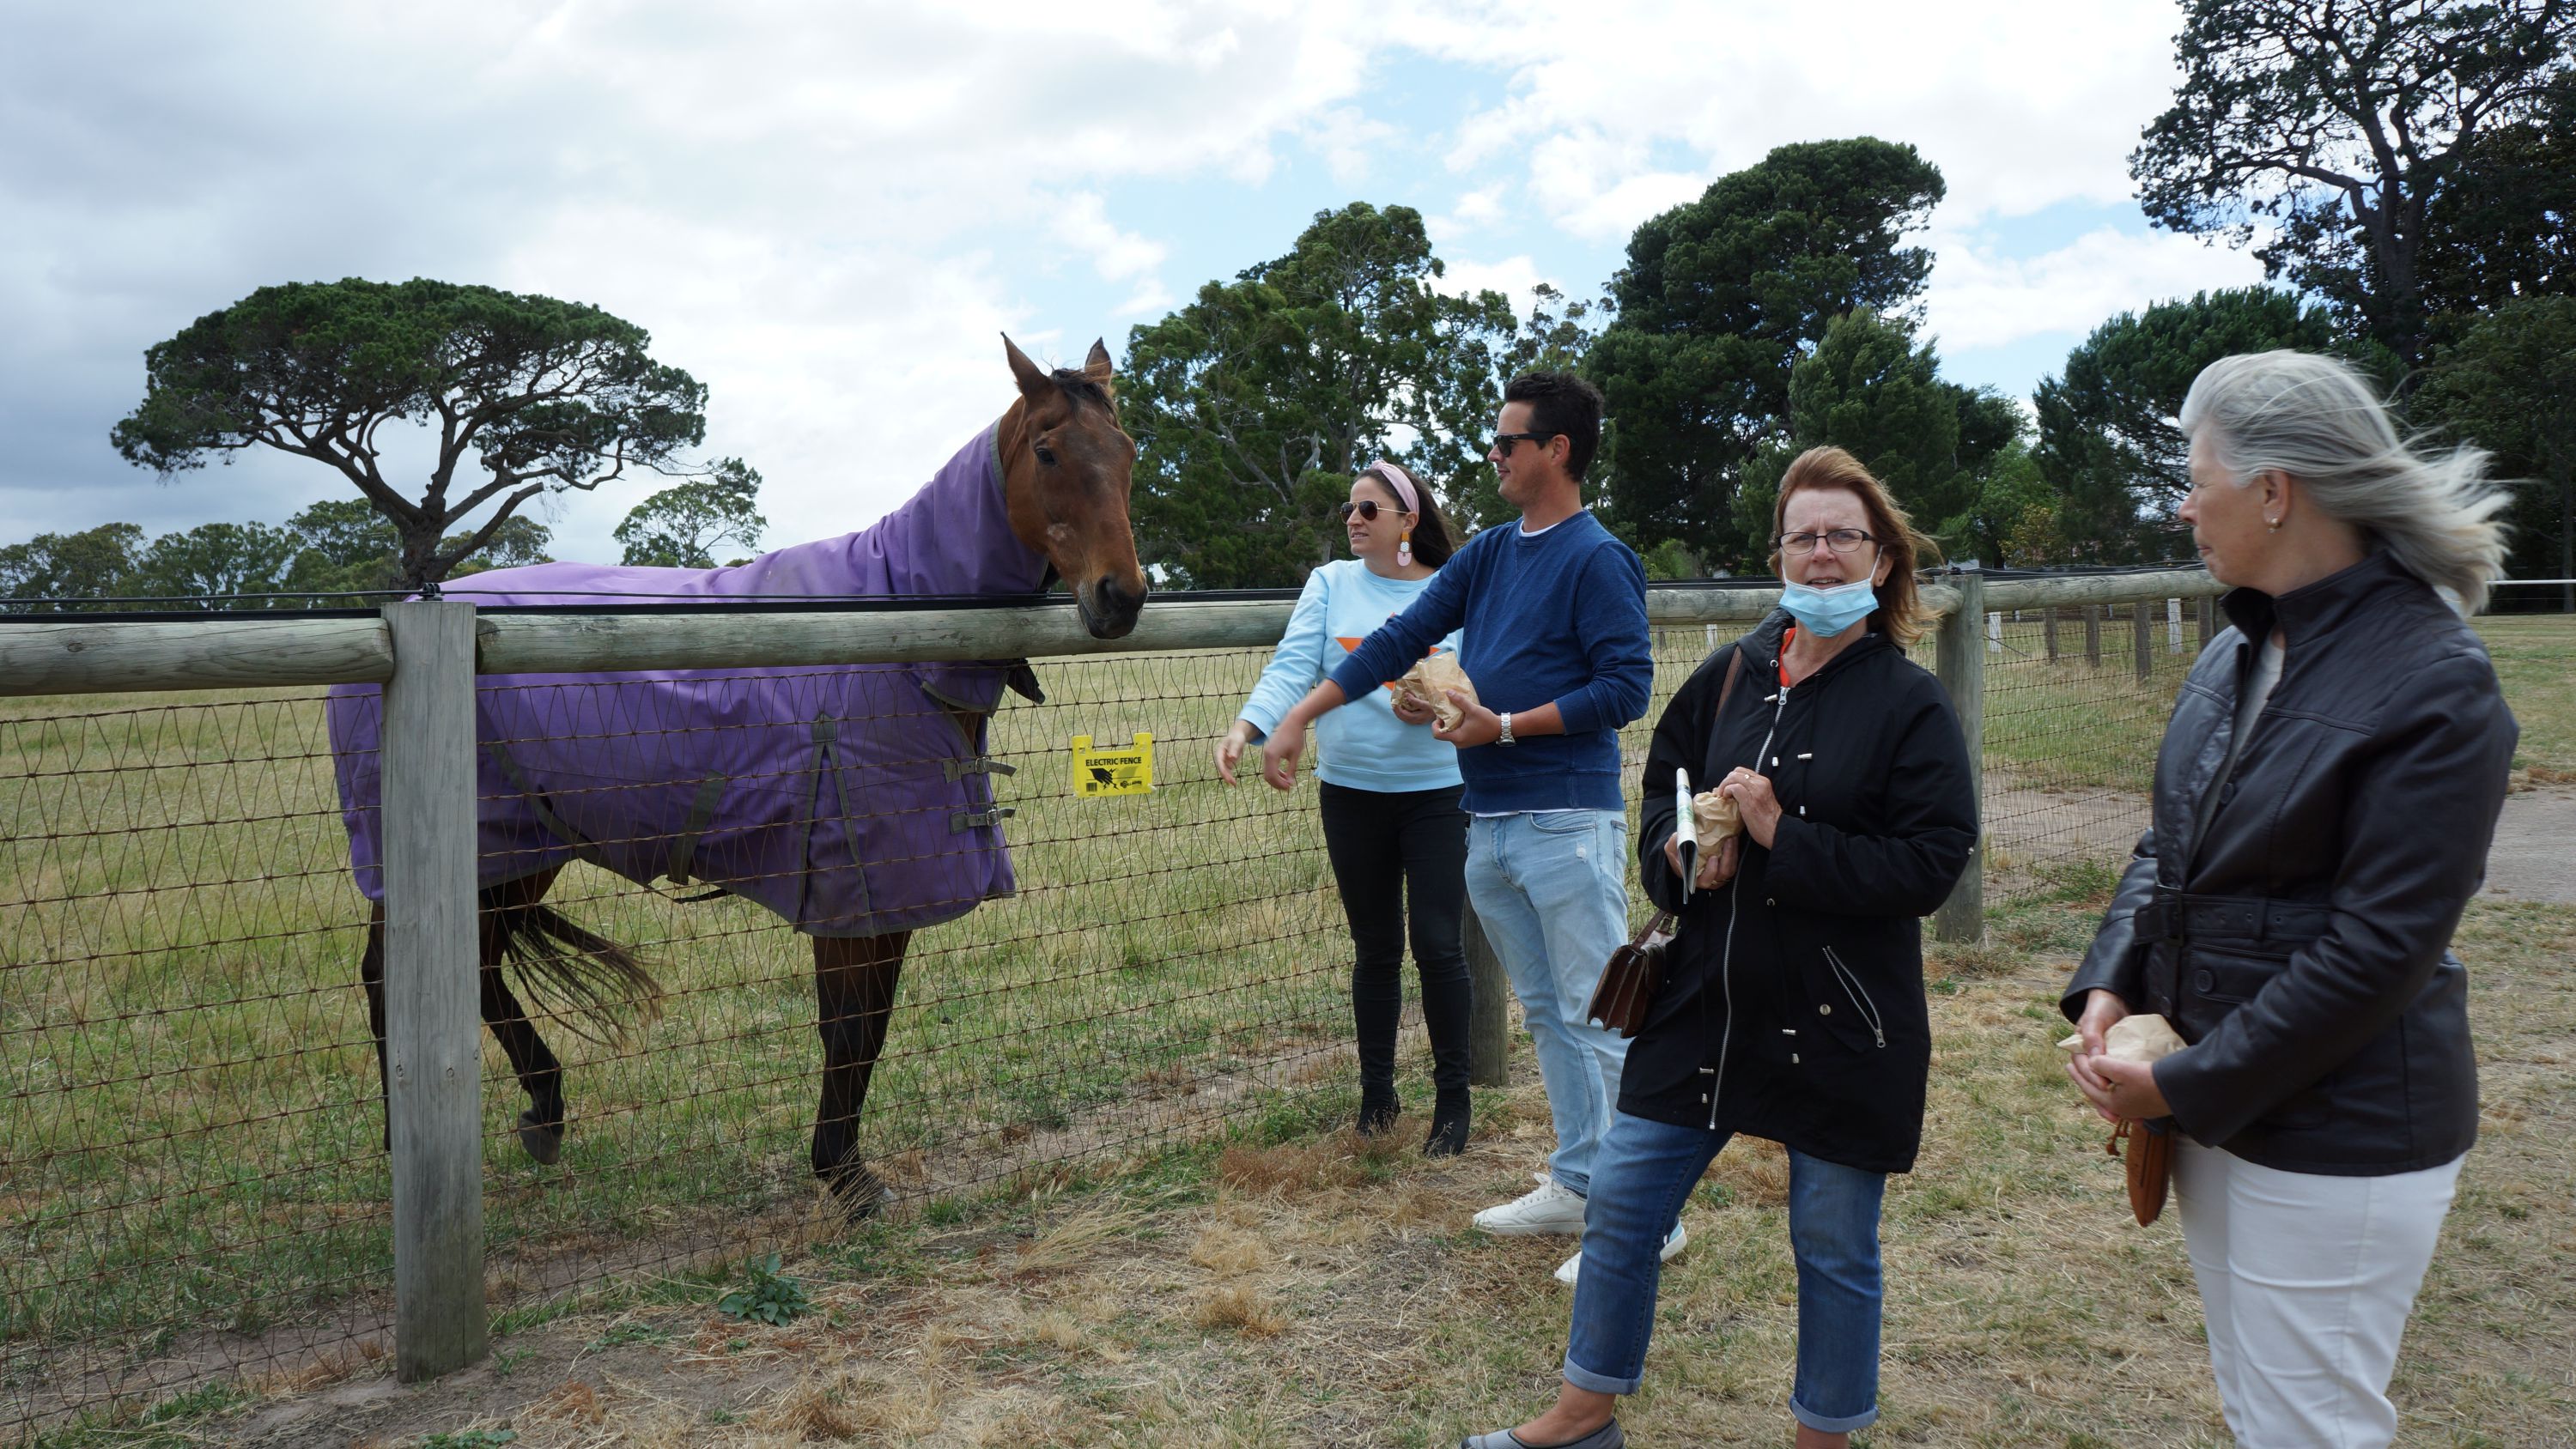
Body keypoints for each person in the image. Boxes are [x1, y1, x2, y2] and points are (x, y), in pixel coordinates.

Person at [1464, 446, 1978, 1449]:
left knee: (1832, 1244)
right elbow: (1663, 785)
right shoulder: (1730, 672)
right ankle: (1583, 1414)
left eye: (1844, 537)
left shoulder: (1910, 704)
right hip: (1703, 998)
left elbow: (1928, 865)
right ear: (1778, 552)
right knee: (1621, 1201)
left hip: (1840, 1015)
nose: (1822, 554)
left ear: (1880, 561)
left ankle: (1822, 1435)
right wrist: (1681, 848)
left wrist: (1784, 833)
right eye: (1804, 536)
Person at [2062, 350, 2516, 1449]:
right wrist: (2111, 982)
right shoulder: (2238, 648)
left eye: (2196, 472)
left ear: (2275, 491)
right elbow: (2166, 846)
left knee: (2311, 1424)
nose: (2183, 501)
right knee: (2262, 1403)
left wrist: (2180, 1081)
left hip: (2338, 1129)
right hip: (2220, 1106)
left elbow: (2380, 949)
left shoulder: (2434, 677)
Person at [1257, 372, 1656, 1258]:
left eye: (1508, 442)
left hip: (1564, 820)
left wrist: (1504, 726)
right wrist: (1299, 715)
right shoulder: (1491, 553)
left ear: (1556, 450)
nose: (1494, 456)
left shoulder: (1599, 557)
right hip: (1493, 822)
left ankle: (1641, 1215)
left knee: (1599, 1015)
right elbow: (1400, 639)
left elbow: (1626, 687)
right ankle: (1578, 1181)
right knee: (1550, 1012)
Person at [1219, 461, 1473, 1154]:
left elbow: (1481, 680)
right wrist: (1250, 726)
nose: (1354, 519)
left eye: (1369, 508)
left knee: (1438, 941)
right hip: (1352, 794)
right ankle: (1377, 1097)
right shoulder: (1330, 583)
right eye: (1349, 510)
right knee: (1375, 949)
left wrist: (1445, 701)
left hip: (1439, 794)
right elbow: (1295, 665)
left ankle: (1454, 1102)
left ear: (1408, 520)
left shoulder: (1453, 590)